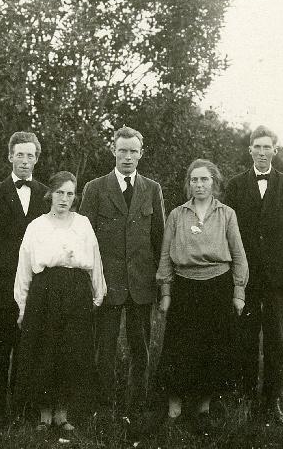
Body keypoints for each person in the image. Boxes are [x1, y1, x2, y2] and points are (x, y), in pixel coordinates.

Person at [156, 159, 248, 432]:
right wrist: (166, 292)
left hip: (218, 287)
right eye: (194, 180)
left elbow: (239, 255)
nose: (199, 185)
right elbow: (164, 256)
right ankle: (175, 405)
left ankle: (204, 406)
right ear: (188, 183)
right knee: (178, 347)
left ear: (214, 182)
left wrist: (238, 292)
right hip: (185, 287)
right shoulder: (177, 215)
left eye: (204, 179)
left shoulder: (227, 214)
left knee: (213, 347)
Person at [79, 126, 165, 415]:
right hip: (107, 284)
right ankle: (104, 408)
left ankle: (136, 408)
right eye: (122, 150)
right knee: (105, 349)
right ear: (113, 151)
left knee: (140, 349)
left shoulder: (152, 189)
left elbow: (159, 239)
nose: (127, 156)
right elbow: (84, 239)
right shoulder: (95, 188)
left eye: (133, 151)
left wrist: (162, 283)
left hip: (142, 283)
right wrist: (91, 281)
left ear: (141, 154)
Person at [14, 171, 106, 432]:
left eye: (69, 193)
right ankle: (44, 413)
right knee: (45, 351)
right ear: (50, 194)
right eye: (59, 193)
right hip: (45, 292)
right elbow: (24, 268)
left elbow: (95, 261)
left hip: (77, 291)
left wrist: (97, 296)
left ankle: (62, 413)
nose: (64, 199)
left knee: (72, 352)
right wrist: (22, 305)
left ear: (74, 196)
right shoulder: (37, 226)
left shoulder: (83, 224)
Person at [224, 126, 283, 424]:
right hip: (244, 278)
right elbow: (227, 231)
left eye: (266, 147)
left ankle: (271, 401)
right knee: (244, 339)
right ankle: (245, 398)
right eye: (256, 146)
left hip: (276, 278)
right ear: (250, 150)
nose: (261, 152)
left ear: (275, 150)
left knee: (276, 340)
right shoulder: (235, 185)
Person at [0, 131, 47, 428]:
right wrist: (1, 267)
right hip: (0, 288)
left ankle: (21, 407)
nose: (25, 160)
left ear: (36, 159)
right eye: (20, 154)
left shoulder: (46, 195)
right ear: (10, 156)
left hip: (34, 289)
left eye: (30, 155)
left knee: (26, 350)